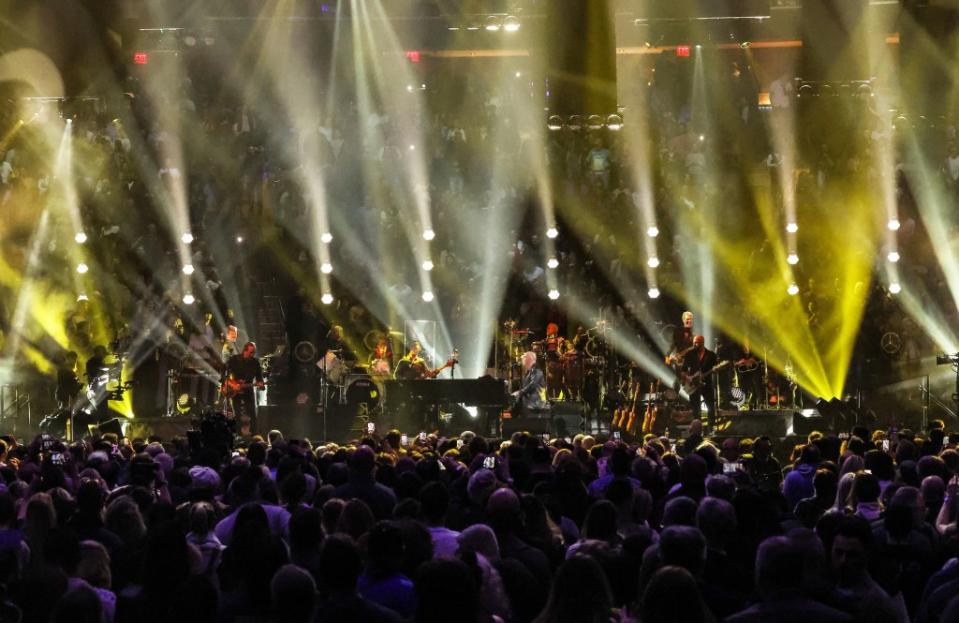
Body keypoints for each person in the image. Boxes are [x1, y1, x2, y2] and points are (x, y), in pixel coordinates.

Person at [222, 342, 264, 436]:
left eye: (253, 352)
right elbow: (224, 371)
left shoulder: (255, 362)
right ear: (244, 350)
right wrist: (230, 383)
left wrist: (261, 384)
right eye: (250, 352)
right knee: (236, 412)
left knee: (252, 411)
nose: (252, 354)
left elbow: (259, 377)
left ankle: (254, 433)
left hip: (248, 389)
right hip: (234, 388)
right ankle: (238, 433)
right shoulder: (234, 359)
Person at [681, 335, 718, 425]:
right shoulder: (689, 354)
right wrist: (688, 378)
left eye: (696, 342)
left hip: (707, 383)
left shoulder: (711, 355)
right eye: (693, 342)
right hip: (693, 384)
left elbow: (716, 367)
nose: (694, 344)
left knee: (710, 406)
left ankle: (711, 427)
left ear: (702, 343)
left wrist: (716, 370)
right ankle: (697, 427)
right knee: (695, 409)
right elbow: (683, 371)